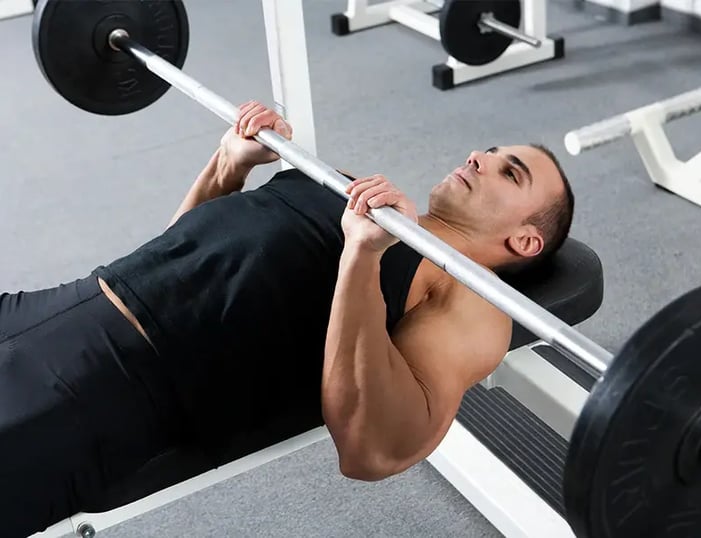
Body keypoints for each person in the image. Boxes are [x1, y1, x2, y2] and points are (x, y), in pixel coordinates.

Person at [0, 101, 574, 537]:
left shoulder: (470, 298)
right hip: (65, 302)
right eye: (492, 151)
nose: (480, 156)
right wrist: (227, 164)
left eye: (510, 172)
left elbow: (375, 450)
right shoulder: (356, 192)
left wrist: (362, 257)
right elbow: (175, 257)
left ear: (525, 239)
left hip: (108, 391)